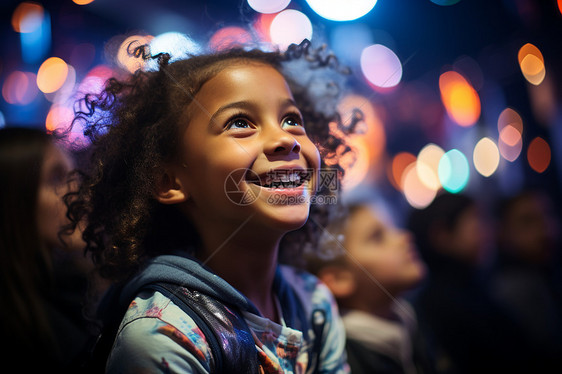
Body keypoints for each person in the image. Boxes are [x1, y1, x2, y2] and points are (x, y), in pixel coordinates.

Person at [66, 40, 354, 373]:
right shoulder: (164, 334)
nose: (286, 139)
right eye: (240, 123)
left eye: (291, 119)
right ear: (169, 182)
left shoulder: (313, 302)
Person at [407, 192, 535, 374]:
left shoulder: (473, 285)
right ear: (441, 235)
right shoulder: (446, 302)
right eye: (477, 222)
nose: (489, 231)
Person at [0, 127, 91, 372]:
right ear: (12, 200)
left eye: (74, 175)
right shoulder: (17, 333)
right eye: (56, 178)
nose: (79, 192)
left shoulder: (67, 294)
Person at [308, 201, 435, 374]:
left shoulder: (411, 321)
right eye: (377, 237)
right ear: (339, 279)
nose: (404, 237)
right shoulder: (343, 361)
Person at [492, 189, 562, 371]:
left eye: (547, 215)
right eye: (527, 222)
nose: (544, 229)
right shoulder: (511, 289)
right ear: (503, 233)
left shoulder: (546, 271)